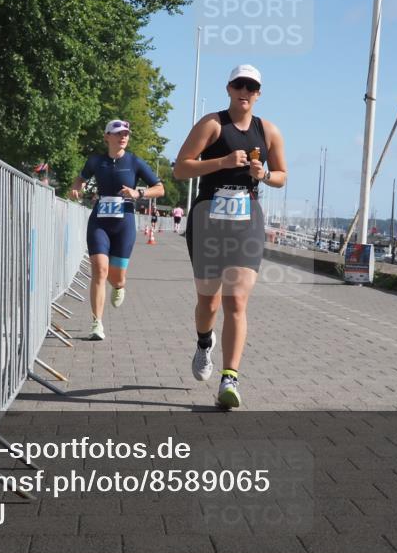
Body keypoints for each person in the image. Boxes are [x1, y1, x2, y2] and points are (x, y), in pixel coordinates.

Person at [173, 64, 287, 409]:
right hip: (208, 217)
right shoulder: (212, 124)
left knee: (236, 300)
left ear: (259, 93)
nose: (245, 91)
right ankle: (204, 342)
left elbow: (282, 175)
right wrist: (221, 162)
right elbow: (180, 168)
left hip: (246, 217)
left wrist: (264, 174)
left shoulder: (268, 131)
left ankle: (230, 377)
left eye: (251, 87)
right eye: (239, 85)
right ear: (228, 88)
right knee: (208, 301)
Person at [69, 119, 164, 340]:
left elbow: (160, 188)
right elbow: (80, 179)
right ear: (107, 137)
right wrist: (76, 188)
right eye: (118, 133)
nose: (123, 137)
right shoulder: (96, 161)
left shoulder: (135, 162)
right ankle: (97, 323)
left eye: (126, 134)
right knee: (99, 269)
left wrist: (138, 193)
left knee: (117, 278)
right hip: (100, 221)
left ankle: (119, 286)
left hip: (124, 223)